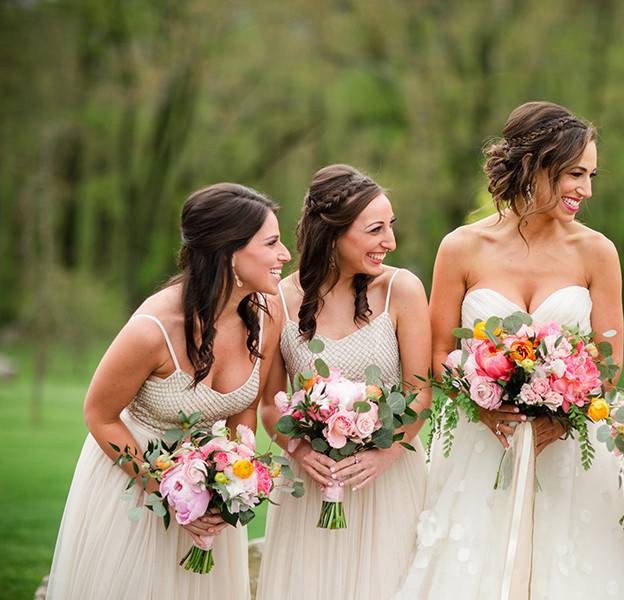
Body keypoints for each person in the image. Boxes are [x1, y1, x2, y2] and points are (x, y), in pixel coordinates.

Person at [396, 101, 624, 600]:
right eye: (575, 173)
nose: (586, 190)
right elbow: (440, 351)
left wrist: (563, 415)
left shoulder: (597, 251)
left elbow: (607, 364)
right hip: (480, 444)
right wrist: (480, 404)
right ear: (535, 165)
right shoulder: (461, 247)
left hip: (570, 449)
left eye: (591, 175)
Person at [46, 183, 290, 599]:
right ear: (230, 253)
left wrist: (232, 486)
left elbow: (243, 414)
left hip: (212, 495)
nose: (285, 254)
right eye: (272, 242)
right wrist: (170, 494)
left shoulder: (267, 317)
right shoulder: (153, 330)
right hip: (135, 489)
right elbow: (99, 415)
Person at [256, 165, 430, 600]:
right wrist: (297, 448)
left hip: (388, 477)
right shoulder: (278, 298)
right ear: (332, 234)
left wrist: (385, 454)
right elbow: (269, 404)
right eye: (375, 230)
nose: (389, 241)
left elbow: (421, 391)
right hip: (310, 483)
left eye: (390, 227)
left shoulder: (401, 289)